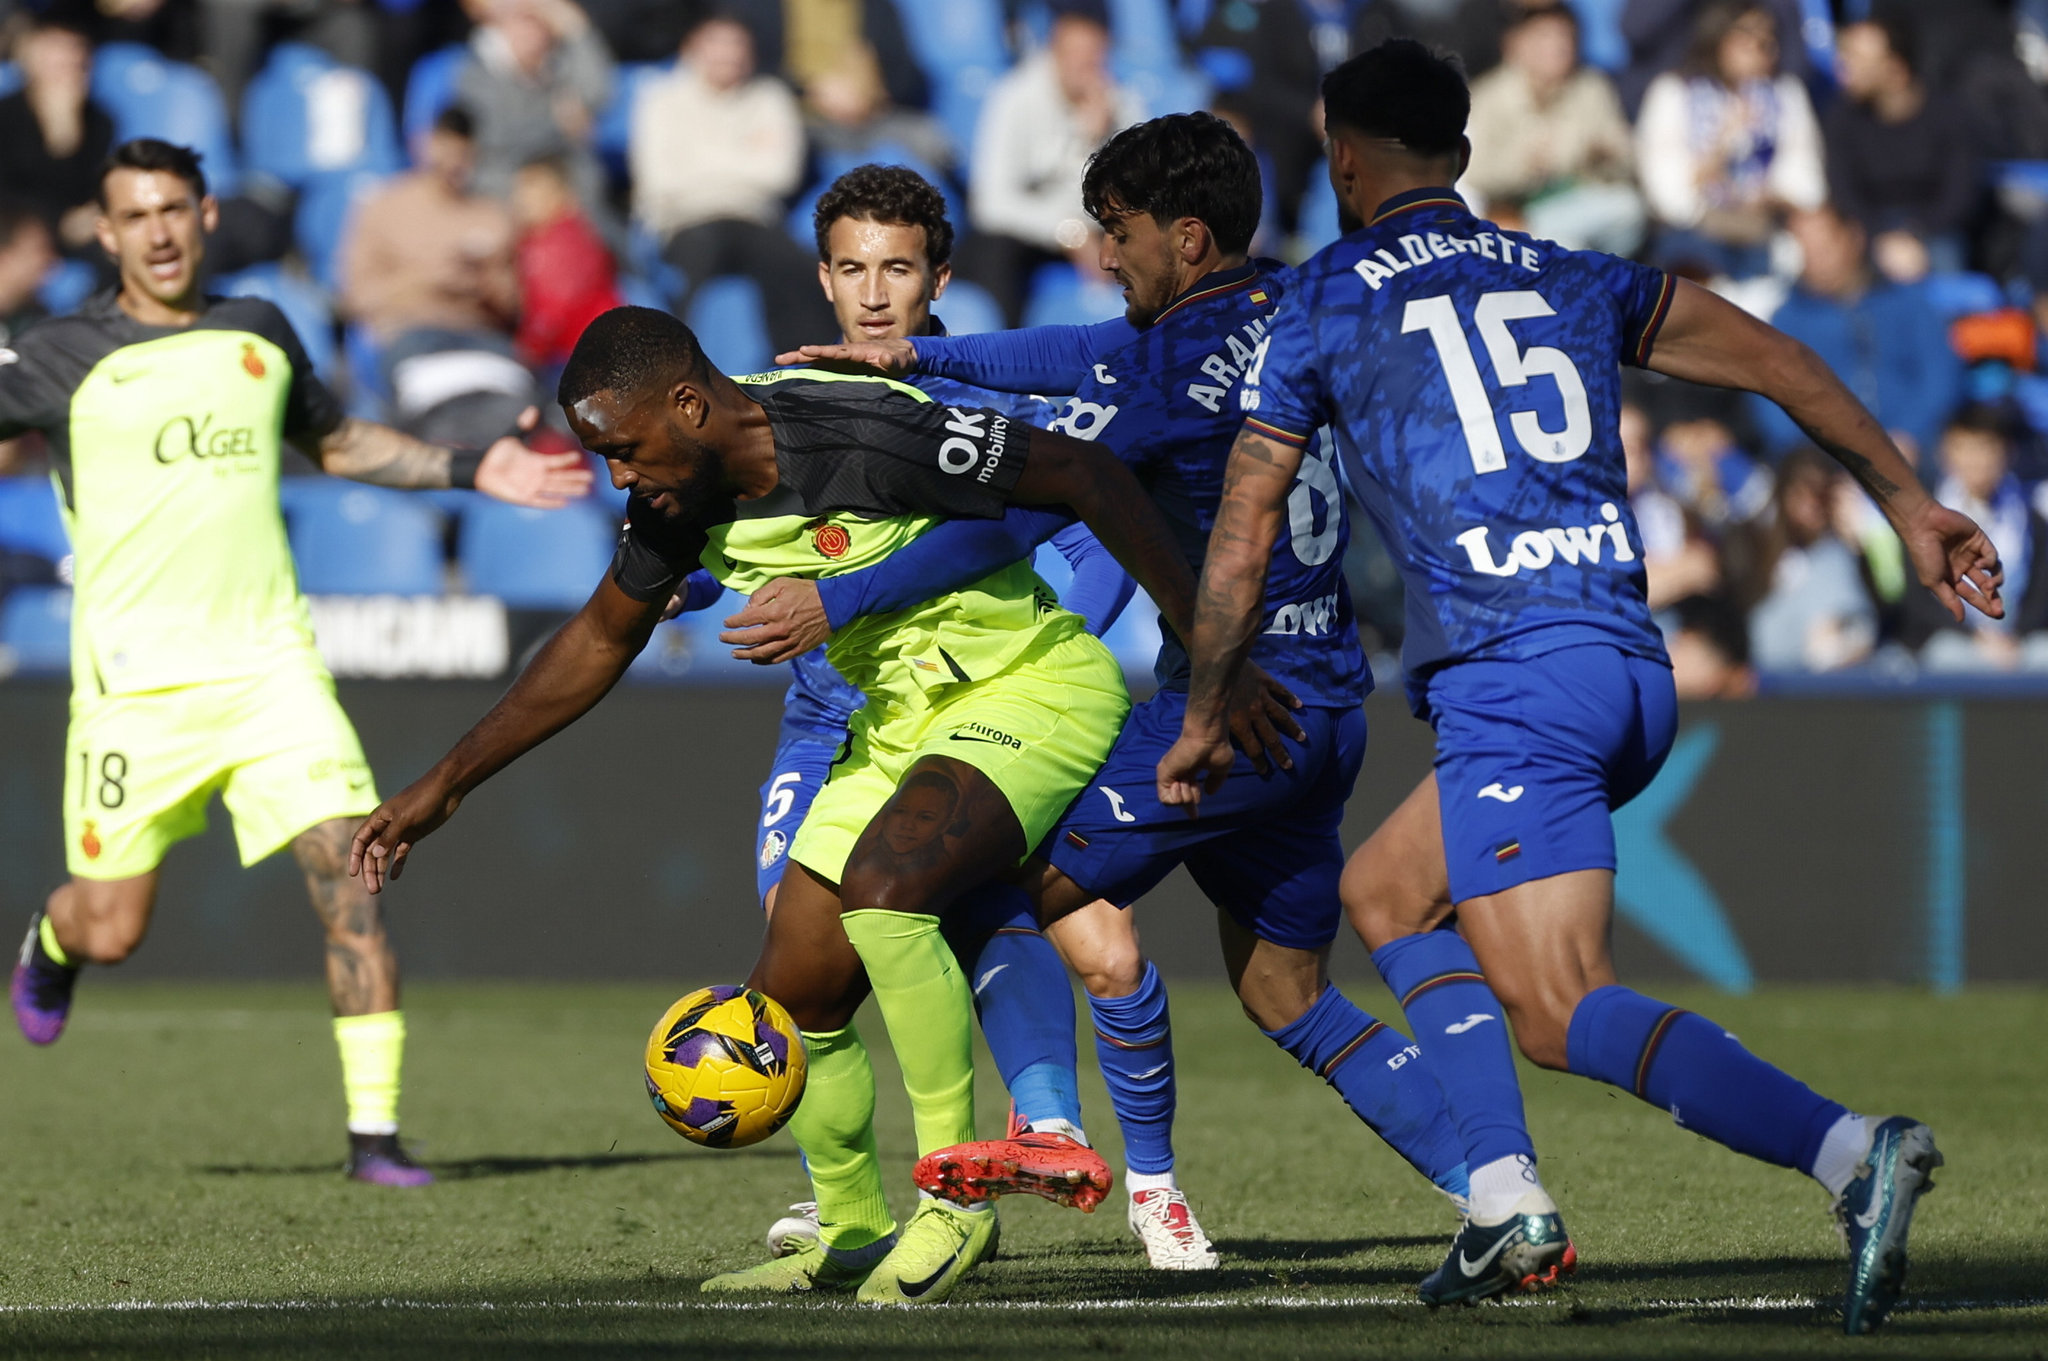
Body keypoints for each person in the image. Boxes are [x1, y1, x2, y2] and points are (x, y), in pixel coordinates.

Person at [1163, 41, 2001, 1331]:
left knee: (1557, 1006)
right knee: (1384, 890)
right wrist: (1909, 503)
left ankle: (1847, 1150)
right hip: (1619, 656)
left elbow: (1240, 530)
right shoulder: (1567, 272)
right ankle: (1503, 1201)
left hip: (1513, 678)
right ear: (1459, 150)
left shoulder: (1320, 304)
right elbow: (1776, 356)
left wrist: (1207, 706)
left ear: (1338, 153)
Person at [346, 305, 1292, 1303]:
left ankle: (954, 1204)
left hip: (1026, 687)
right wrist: (442, 783)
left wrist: (1213, 662)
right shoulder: (678, 502)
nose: (618, 477)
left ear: (688, 403)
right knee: (791, 986)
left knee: (886, 890)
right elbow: (595, 639)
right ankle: (846, 1231)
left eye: (623, 449)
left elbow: (1089, 477)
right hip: (897, 724)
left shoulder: (867, 430)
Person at [777, 112, 1473, 1257]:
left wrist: (843, 598)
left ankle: (1045, 1122)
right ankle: (1495, 1191)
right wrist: (920, 354)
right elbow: (1075, 351)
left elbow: (1021, 510)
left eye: (1119, 233)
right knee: (1285, 995)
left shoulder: (1162, 376)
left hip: (1232, 713)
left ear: (1185, 238)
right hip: (1331, 707)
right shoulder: (1288, 311)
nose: (1106, 254)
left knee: (977, 857)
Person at [2, 139, 593, 1187]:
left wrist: (470, 464)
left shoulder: (258, 332)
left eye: (175, 208)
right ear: (106, 232)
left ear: (207, 212)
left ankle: (376, 1140)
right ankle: (54, 942)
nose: (160, 231)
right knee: (113, 924)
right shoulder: (56, 354)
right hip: (136, 693)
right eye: (136, 215)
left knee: (351, 869)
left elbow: (339, 444)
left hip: (274, 671)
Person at [669, 163, 1145, 1264]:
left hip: (965, 697)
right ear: (822, 277)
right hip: (827, 710)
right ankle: (837, 1211)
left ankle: (1036, 1132)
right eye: (851, 268)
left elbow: (1038, 537)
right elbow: (722, 547)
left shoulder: (974, 416)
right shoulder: (777, 399)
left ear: (938, 278)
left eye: (897, 269)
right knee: (799, 957)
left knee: (961, 906)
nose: (873, 293)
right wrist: (683, 572)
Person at [628, 13, 837, 357]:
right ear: (693, 49)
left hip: (754, 220)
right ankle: (675, 367)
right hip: (683, 222)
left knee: (800, 268)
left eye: (737, 46)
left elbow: (781, 174)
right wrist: (743, 154)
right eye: (717, 44)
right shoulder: (660, 98)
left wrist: (696, 156)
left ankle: (809, 375)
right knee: (695, 265)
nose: (728, 55)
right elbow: (659, 180)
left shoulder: (770, 97)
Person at [960, 0, 1141, 326]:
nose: (1084, 64)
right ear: (1053, 50)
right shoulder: (1013, 97)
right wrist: (1066, 231)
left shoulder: (1124, 106)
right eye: (1075, 52)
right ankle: (999, 352)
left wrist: (1093, 144)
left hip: (1098, 227)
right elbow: (990, 203)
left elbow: (1133, 198)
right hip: (1032, 233)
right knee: (993, 251)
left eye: (1094, 53)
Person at [1752, 207, 1963, 464]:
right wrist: (1821, 455)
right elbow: (1771, 402)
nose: (1814, 259)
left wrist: (1910, 434)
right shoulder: (1787, 319)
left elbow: (1939, 378)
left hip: (1912, 457)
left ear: (1854, 238)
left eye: (1824, 248)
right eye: (1805, 249)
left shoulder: (1909, 303)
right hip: (1824, 463)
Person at [1635, 1, 1823, 280]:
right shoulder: (1674, 92)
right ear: (1717, 36)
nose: (1760, 45)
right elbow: (1667, 191)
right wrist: (1725, 142)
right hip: (1697, 234)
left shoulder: (1786, 93)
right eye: (1747, 35)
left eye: (1768, 37)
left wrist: (1772, 196)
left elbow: (1804, 173)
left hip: (1766, 227)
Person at [1463, 4, 1644, 257]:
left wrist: (1603, 153)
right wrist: (1526, 163)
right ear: (1515, 45)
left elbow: (1627, 155)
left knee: (1627, 209)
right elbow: (1473, 173)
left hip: (1584, 204)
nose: (1559, 46)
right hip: (1515, 214)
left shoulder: (1592, 87)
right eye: (1545, 37)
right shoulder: (1488, 97)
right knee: (1562, 243)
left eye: (1565, 36)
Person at [1824, 15, 1981, 282]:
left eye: (1857, 58)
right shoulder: (1842, 117)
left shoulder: (1949, 114)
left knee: (1944, 261)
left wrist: (1913, 233)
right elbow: (1844, 193)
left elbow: (1960, 194)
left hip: (1934, 230)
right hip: (1870, 229)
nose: (1842, 66)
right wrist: (1881, 237)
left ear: (1896, 70)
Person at [1901, 405, 2048, 671]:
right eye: (1965, 448)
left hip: (2015, 640)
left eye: (1985, 448)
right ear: (1946, 452)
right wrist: (1975, 637)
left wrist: (2014, 636)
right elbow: (1917, 597)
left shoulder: (2031, 518)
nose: (1976, 460)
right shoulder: (1925, 517)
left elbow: (2041, 591)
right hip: (1953, 638)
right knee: (1947, 656)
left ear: (2007, 452)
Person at [455, 0, 615, 208]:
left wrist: (578, 30)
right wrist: (559, 124)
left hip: (565, 191)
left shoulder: (558, 66)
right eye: (523, 22)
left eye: (540, 22)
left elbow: (599, 92)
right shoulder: (475, 75)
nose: (530, 33)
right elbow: (498, 139)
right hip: (504, 192)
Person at [1744, 448, 1879, 672]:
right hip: (1766, 677)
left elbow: (1875, 616)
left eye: (1819, 497)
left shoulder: (1840, 554)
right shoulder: (1753, 545)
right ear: (1782, 495)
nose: (1809, 509)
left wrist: (1862, 546)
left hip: (1824, 679)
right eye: (1799, 496)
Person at [0, 10, 116, 255]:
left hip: (82, 240)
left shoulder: (99, 121)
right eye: (56, 51)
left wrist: (67, 135)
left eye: (76, 50)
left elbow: (94, 189)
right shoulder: (6, 116)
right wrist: (56, 224)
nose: (69, 61)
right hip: (15, 237)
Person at [509, 155, 623, 374]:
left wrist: (528, 350)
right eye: (519, 189)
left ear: (563, 196)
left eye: (532, 189)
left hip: (588, 358)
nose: (521, 199)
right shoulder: (530, 242)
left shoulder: (566, 242)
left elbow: (555, 311)